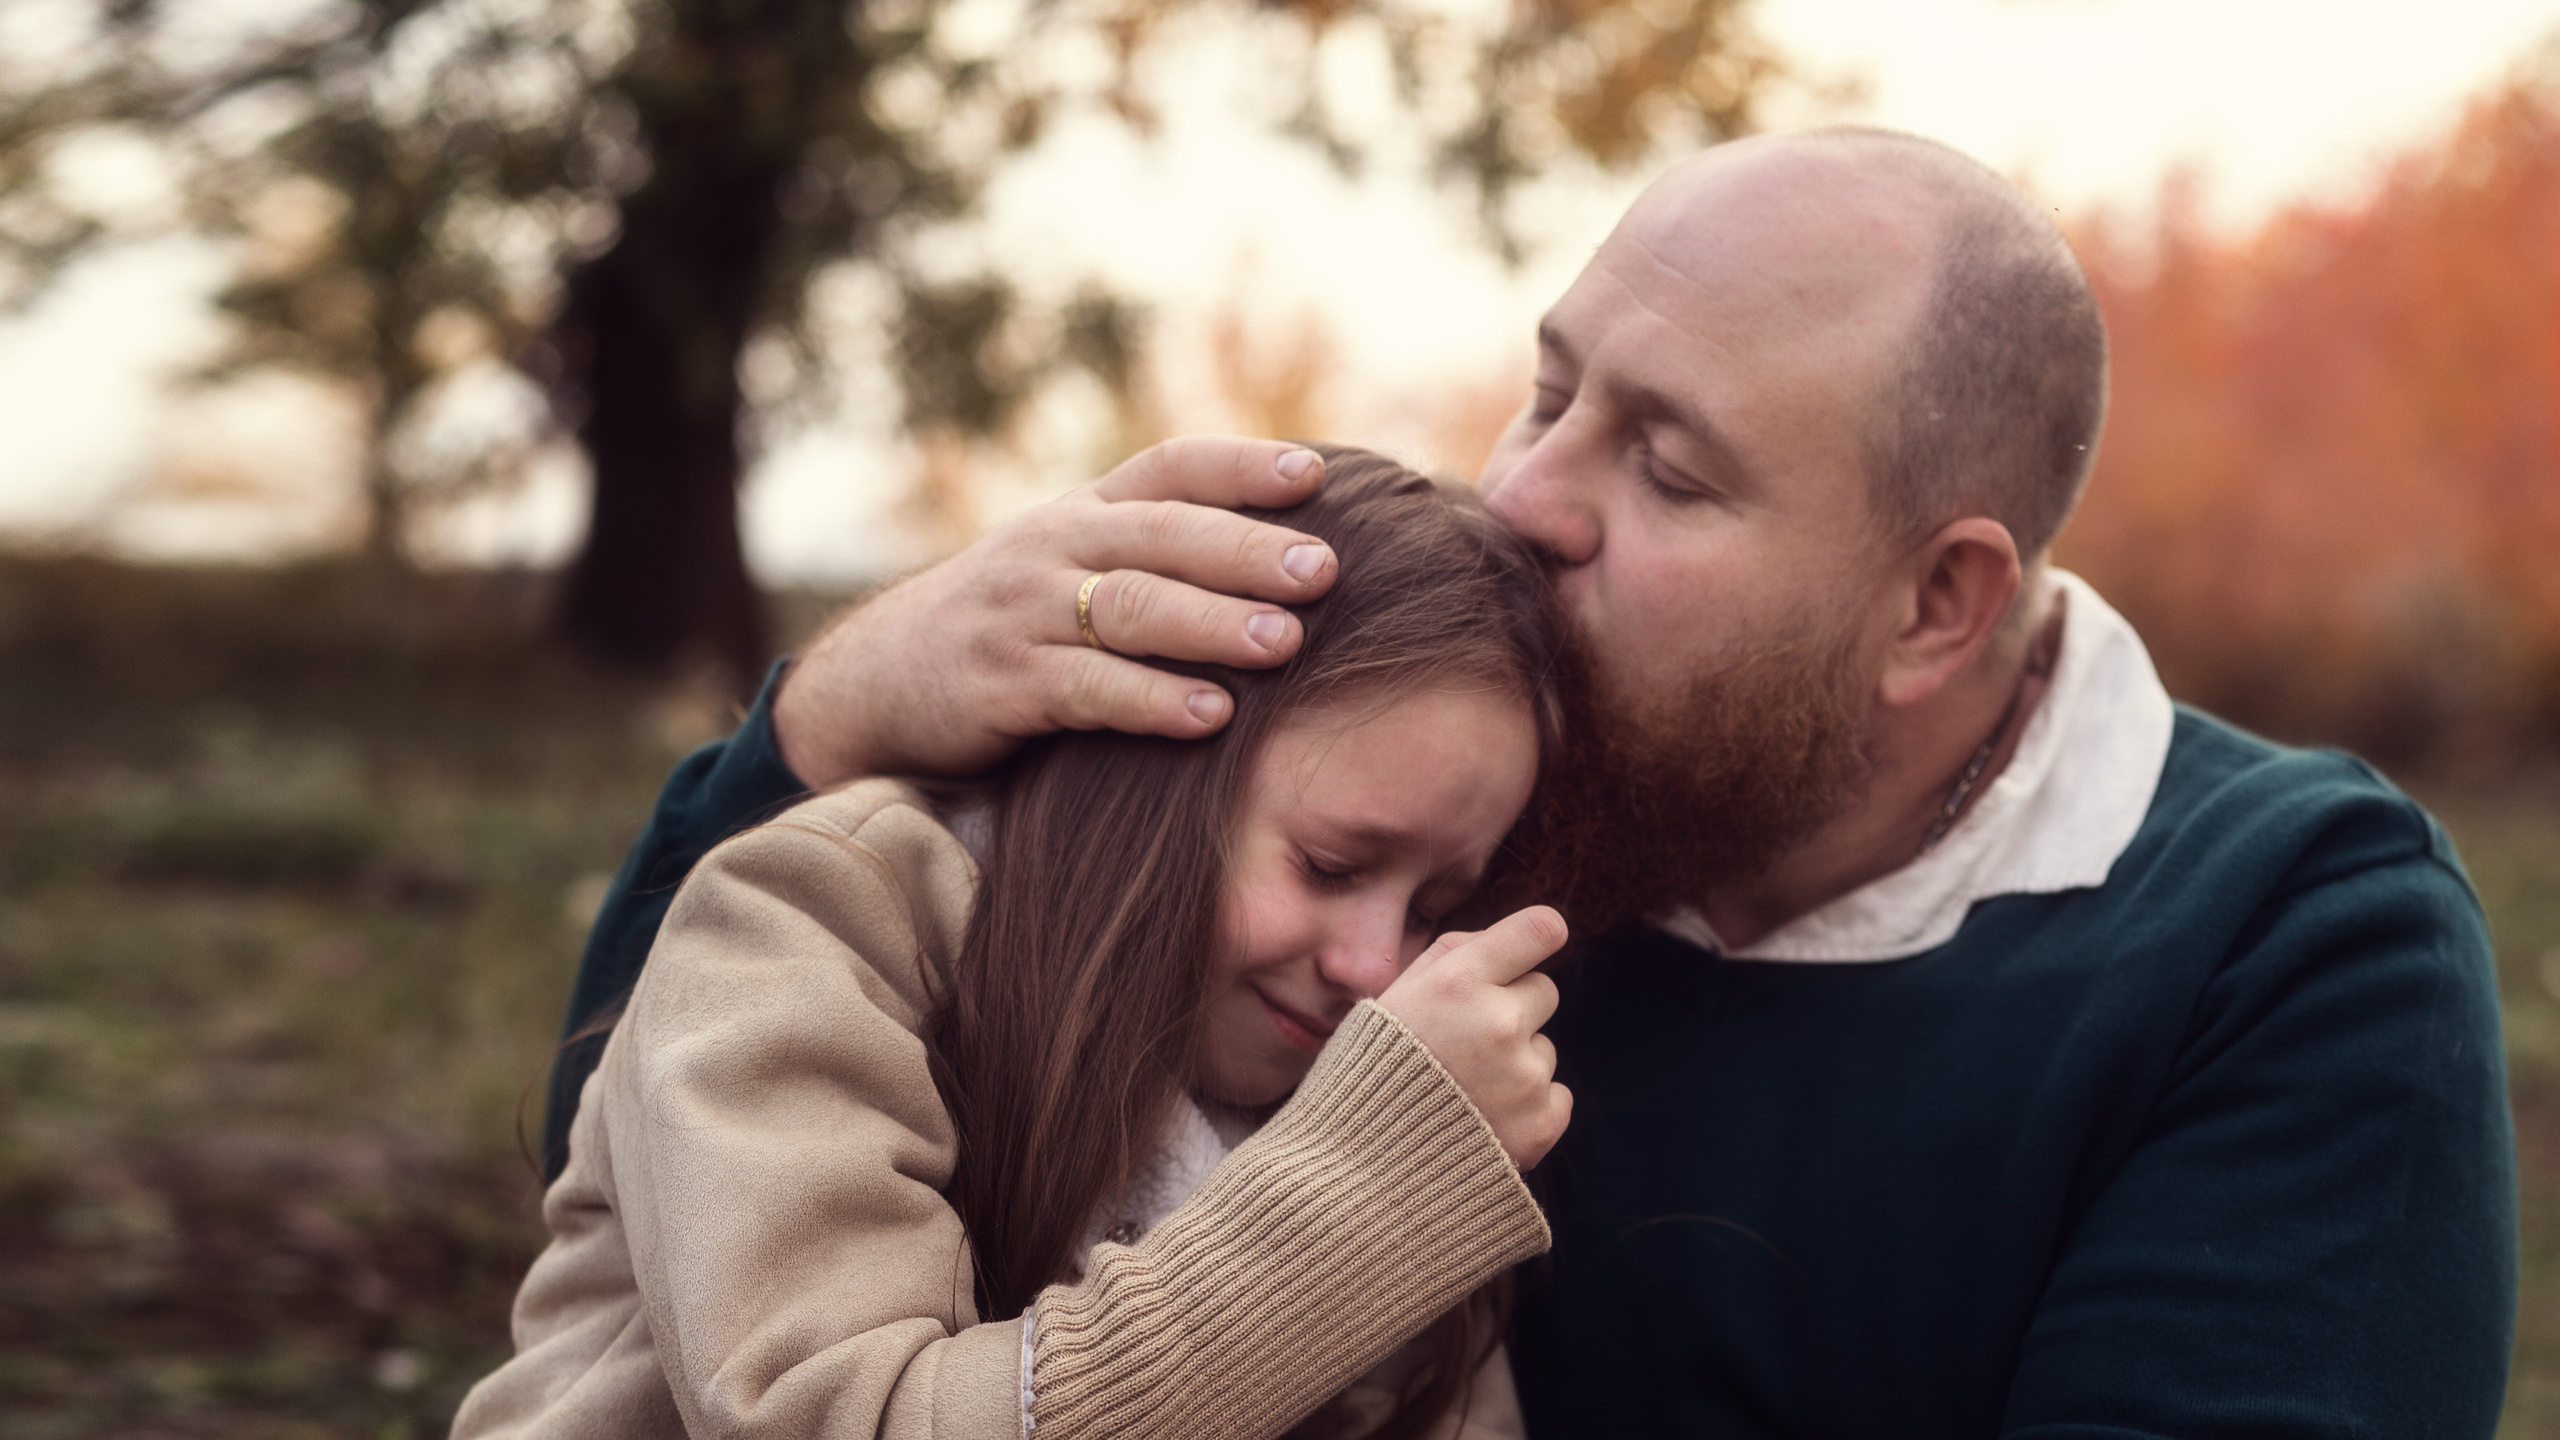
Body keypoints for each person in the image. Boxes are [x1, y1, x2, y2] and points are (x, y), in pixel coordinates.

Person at [538, 129, 2517, 1436]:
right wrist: (831, 727)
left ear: (1933, 604)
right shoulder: (1418, 796)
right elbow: (662, 1186)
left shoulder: (2279, 945)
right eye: (1547, 388)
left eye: (1663, 466)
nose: (1524, 497)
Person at [462, 453, 1576, 1440]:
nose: (1375, 971)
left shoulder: (1337, 1080)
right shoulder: (816, 918)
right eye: (1330, 867)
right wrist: (1361, 1195)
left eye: (1436, 906)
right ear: (1155, 766)